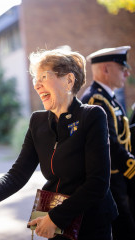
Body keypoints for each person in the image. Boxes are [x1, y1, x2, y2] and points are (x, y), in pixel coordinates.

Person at [0, 48, 118, 240]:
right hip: (56, 223)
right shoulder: (37, 121)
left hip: (90, 224)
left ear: (68, 80)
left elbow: (98, 183)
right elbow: (17, 174)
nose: (37, 85)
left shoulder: (92, 116)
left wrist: (55, 218)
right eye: (35, 79)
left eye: (43, 77)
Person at [81, 46, 135, 240]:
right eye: (122, 68)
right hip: (110, 181)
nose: (127, 72)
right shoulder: (96, 100)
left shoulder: (109, 98)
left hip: (120, 178)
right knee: (125, 230)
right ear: (106, 70)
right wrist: (132, 166)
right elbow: (110, 145)